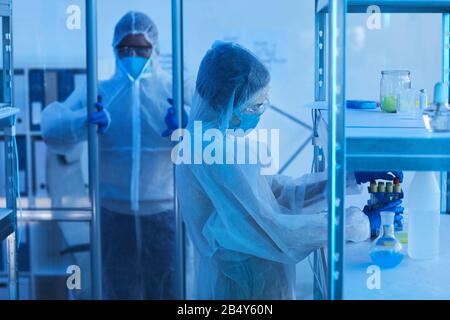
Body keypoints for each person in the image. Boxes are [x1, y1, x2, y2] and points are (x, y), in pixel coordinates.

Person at [175, 41, 402, 300]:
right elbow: (275, 230)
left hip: (255, 280)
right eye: (255, 106)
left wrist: (347, 177)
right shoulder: (214, 153)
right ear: (228, 105)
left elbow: (277, 194)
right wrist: (357, 224)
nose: (261, 111)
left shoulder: (220, 140)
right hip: (243, 287)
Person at [41, 11, 191, 299]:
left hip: (165, 214)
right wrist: (83, 122)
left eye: (141, 48)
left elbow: (215, 126)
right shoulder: (100, 91)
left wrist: (186, 123)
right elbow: (51, 128)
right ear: (114, 49)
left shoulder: (175, 89)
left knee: (170, 291)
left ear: (155, 49)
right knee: (117, 291)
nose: (133, 54)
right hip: (112, 215)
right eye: (125, 48)